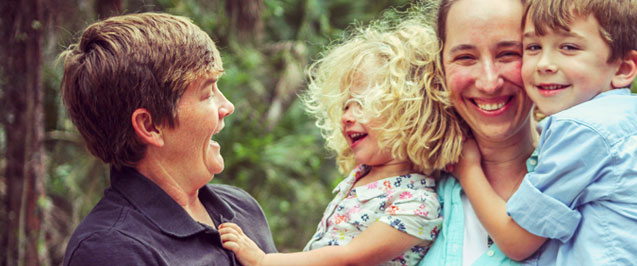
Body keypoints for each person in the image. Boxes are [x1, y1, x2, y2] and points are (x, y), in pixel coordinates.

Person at [453, 0, 637, 264]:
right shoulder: (635, 118)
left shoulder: (581, 130)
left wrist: (468, 169)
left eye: (568, 47)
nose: (544, 64)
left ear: (623, 68)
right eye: (533, 47)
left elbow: (517, 241)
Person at [217, 16, 465, 266]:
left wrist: (263, 260)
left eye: (364, 104)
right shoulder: (361, 179)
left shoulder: (416, 201)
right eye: (346, 105)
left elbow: (347, 258)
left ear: (412, 115)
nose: (347, 116)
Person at [59, 13, 276, 265]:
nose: (227, 106)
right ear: (150, 126)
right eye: (207, 94)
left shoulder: (242, 207)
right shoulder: (109, 249)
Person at [418, 0, 537, 265]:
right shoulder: (410, 188)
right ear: (439, 66)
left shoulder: (582, 181)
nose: (488, 82)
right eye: (465, 58)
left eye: (508, 53)